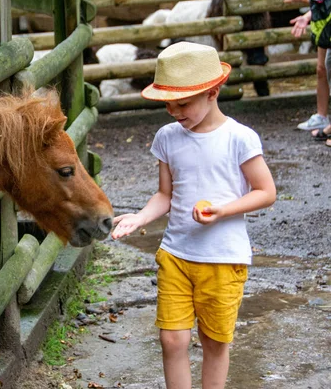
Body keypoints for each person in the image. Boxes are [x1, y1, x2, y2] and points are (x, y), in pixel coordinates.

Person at [111, 42, 277, 389]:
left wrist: (223, 210)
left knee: (215, 342)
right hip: (176, 254)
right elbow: (165, 195)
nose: (173, 111)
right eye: (167, 103)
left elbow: (266, 192)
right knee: (172, 341)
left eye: (182, 102)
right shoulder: (168, 137)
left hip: (222, 257)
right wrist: (140, 218)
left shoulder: (239, 138)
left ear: (213, 92)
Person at [283, 0, 331, 143]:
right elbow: (322, 1)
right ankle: (322, 118)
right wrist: (308, 16)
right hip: (324, 23)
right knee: (323, 68)